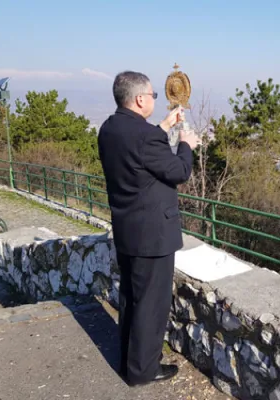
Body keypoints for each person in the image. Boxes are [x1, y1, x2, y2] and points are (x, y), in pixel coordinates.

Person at [97, 71, 200, 387]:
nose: (155, 99)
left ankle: (130, 361)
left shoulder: (110, 129)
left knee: (131, 298)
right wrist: (186, 144)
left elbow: (139, 154)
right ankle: (142, 371)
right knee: (151, 305)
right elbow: (179, 171)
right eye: (153, 95)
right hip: (153, 235)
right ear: (140, 99)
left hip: (128, 230)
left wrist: (164, 126)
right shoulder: (145, 136)